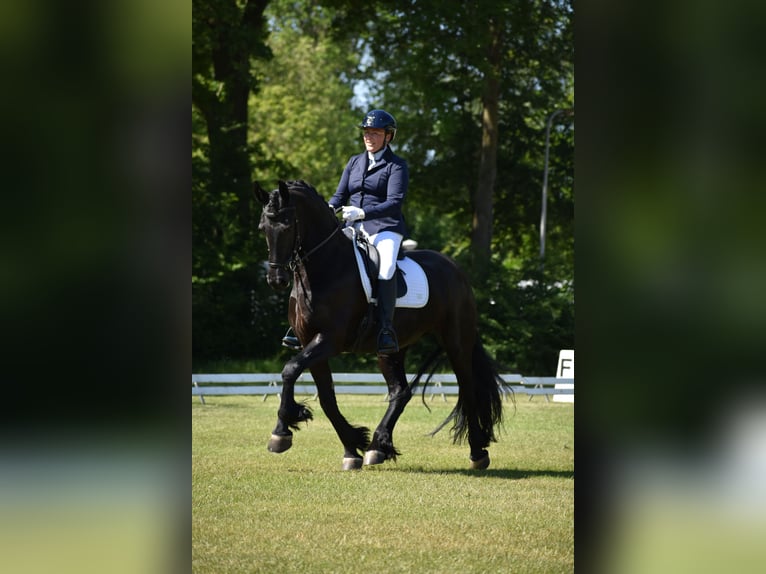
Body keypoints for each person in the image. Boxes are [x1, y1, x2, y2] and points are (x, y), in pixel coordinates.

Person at [327, 109, 409, 355]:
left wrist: (362, 214)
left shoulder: (396, 166)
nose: (369, 137)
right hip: (353, 227)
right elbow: (340, 195)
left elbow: (394, 202)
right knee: (322, 257)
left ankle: (385, 329)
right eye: (366, 132)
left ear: (388, 136)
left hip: (385, 227)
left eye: (375, 132)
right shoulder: (354, 161)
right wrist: (329, 208)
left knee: (385, 268)